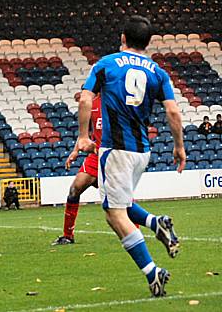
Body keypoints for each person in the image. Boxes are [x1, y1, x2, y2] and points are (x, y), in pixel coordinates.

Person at [78, 15, 185, 297]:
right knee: (118, 202)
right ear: (148, 42)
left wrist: (82, 136)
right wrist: (179, 147)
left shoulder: (106, 64)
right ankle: (155, 222)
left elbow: (86, 97)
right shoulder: (158, 72)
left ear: (123, 37)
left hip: (115, 148)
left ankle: (153, 272)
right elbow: (173, 112)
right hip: (142, 151)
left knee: (114, 214)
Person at [51, 94, 102, 245]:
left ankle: (138, 230)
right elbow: (84, 135)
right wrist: (75, 151)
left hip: (112, 155)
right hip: (95, 156)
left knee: (120, 198)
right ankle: (68, 235)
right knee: (75, 190)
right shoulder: (92, 103)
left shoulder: (116, 99)